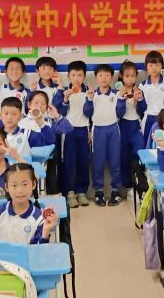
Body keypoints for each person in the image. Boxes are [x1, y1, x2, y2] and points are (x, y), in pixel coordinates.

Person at [0, 164, 58, 244]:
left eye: (25, 184)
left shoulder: (39, 218)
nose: (19, 190)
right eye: (14, 185)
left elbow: (39, 249)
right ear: (6, 187)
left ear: (33, 184)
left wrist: (45, 231)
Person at [54, 61, 91, 208]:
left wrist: (91, 130)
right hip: (68, 131)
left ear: (84, 76)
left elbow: (91, 113)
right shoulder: (64, 91)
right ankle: (69, 192)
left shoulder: (89, 91)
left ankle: (81, 191)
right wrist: (65, 99)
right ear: (68, 76)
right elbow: (59, 113)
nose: (76, 78)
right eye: (73, 75)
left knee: (83, 161)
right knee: (68, 161)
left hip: (84, 130)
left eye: (79, 75)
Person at [86, 63, 123, 206]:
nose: (104, 78)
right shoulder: (92, 94)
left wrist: (122, 99)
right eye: (100, 75)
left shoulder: (116, 94)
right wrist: (89, 100)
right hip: (98, 131)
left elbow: (121, 113)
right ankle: (99, 191)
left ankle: (116, 191)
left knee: (115, 161)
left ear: (112, 78)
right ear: (96, 78)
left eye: (107, 75)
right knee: (98, 162)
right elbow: (87, 113)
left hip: (113, 129)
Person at [116, 60, 147, 194]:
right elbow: (118, 113)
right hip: (122, 126)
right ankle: (128, 186)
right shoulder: (117, 91)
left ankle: (140, 186)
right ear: (121, 76)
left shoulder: (139, 91)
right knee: (123, 157)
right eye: (127, 76)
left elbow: (143, 110)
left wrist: (139, 100)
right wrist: (121, 98)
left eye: (133, 76)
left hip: (136, 126)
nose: (130, 78)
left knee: (138, 153)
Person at [137, 51, 164, 143]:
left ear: (162, 66)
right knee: (147, 143)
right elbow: (141, 108)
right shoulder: (142, 85)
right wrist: (139, 99)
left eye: (157, 65)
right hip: (148, 118)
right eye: (151, 65)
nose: (154, 68)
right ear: (146, 66)